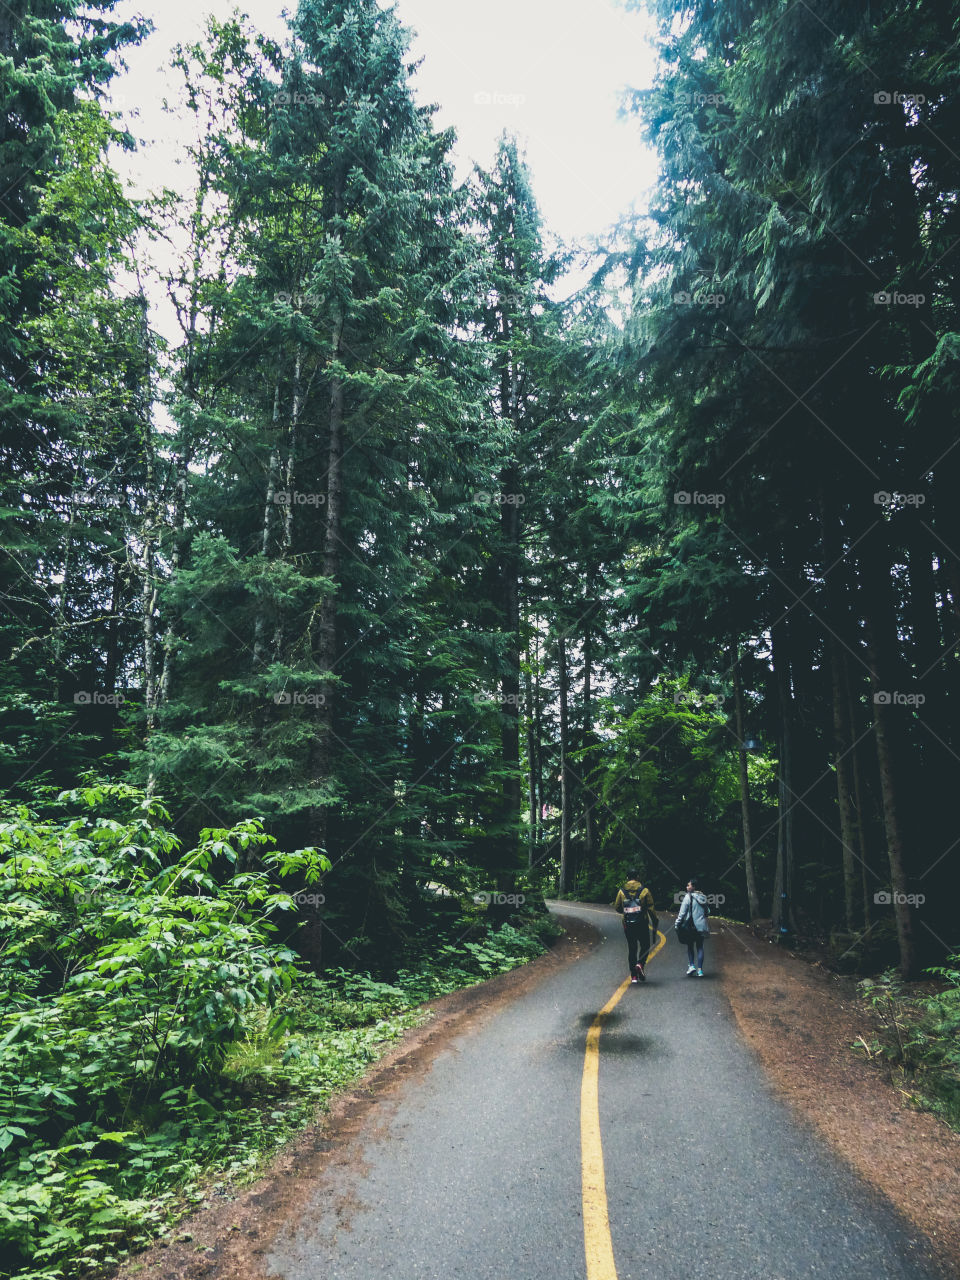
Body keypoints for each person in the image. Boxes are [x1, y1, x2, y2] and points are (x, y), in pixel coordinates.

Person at [614, 871, 658, 984]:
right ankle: (640, 964)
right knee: (645, 945)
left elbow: (617, 907)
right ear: (638, 877)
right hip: (642, 923)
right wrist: (655, 921)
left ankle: (633, 976)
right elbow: (651, 908)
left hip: (628, 924)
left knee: (632, 948)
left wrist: (626, 912)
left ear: (627, 878)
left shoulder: (621, 891)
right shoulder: (645, 891)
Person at [675, 878, 710, 976]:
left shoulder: (688, 897)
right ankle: (700, 971)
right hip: (701, 926)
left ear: (693, 887)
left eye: (688, 885)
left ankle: (691, 966)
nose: (687, 887)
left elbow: (682, 914)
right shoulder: (703, 897)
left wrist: (677, 924)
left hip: (691, 926)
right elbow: (707, 912)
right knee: (700, 947)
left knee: (690, 945)